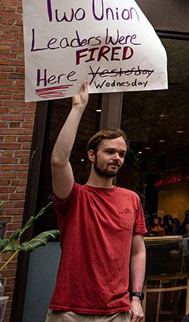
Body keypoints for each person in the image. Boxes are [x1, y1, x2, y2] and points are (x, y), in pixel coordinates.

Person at [47, 83, 147, 321]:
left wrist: (136, 297)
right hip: (70, 310)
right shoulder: (75, 197)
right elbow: (59, 161)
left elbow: (138, 251)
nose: (117, 158)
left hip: (117, 311)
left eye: (121, 154)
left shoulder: (131, 199)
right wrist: (78, 108)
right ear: (92, 155)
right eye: (110, 151)